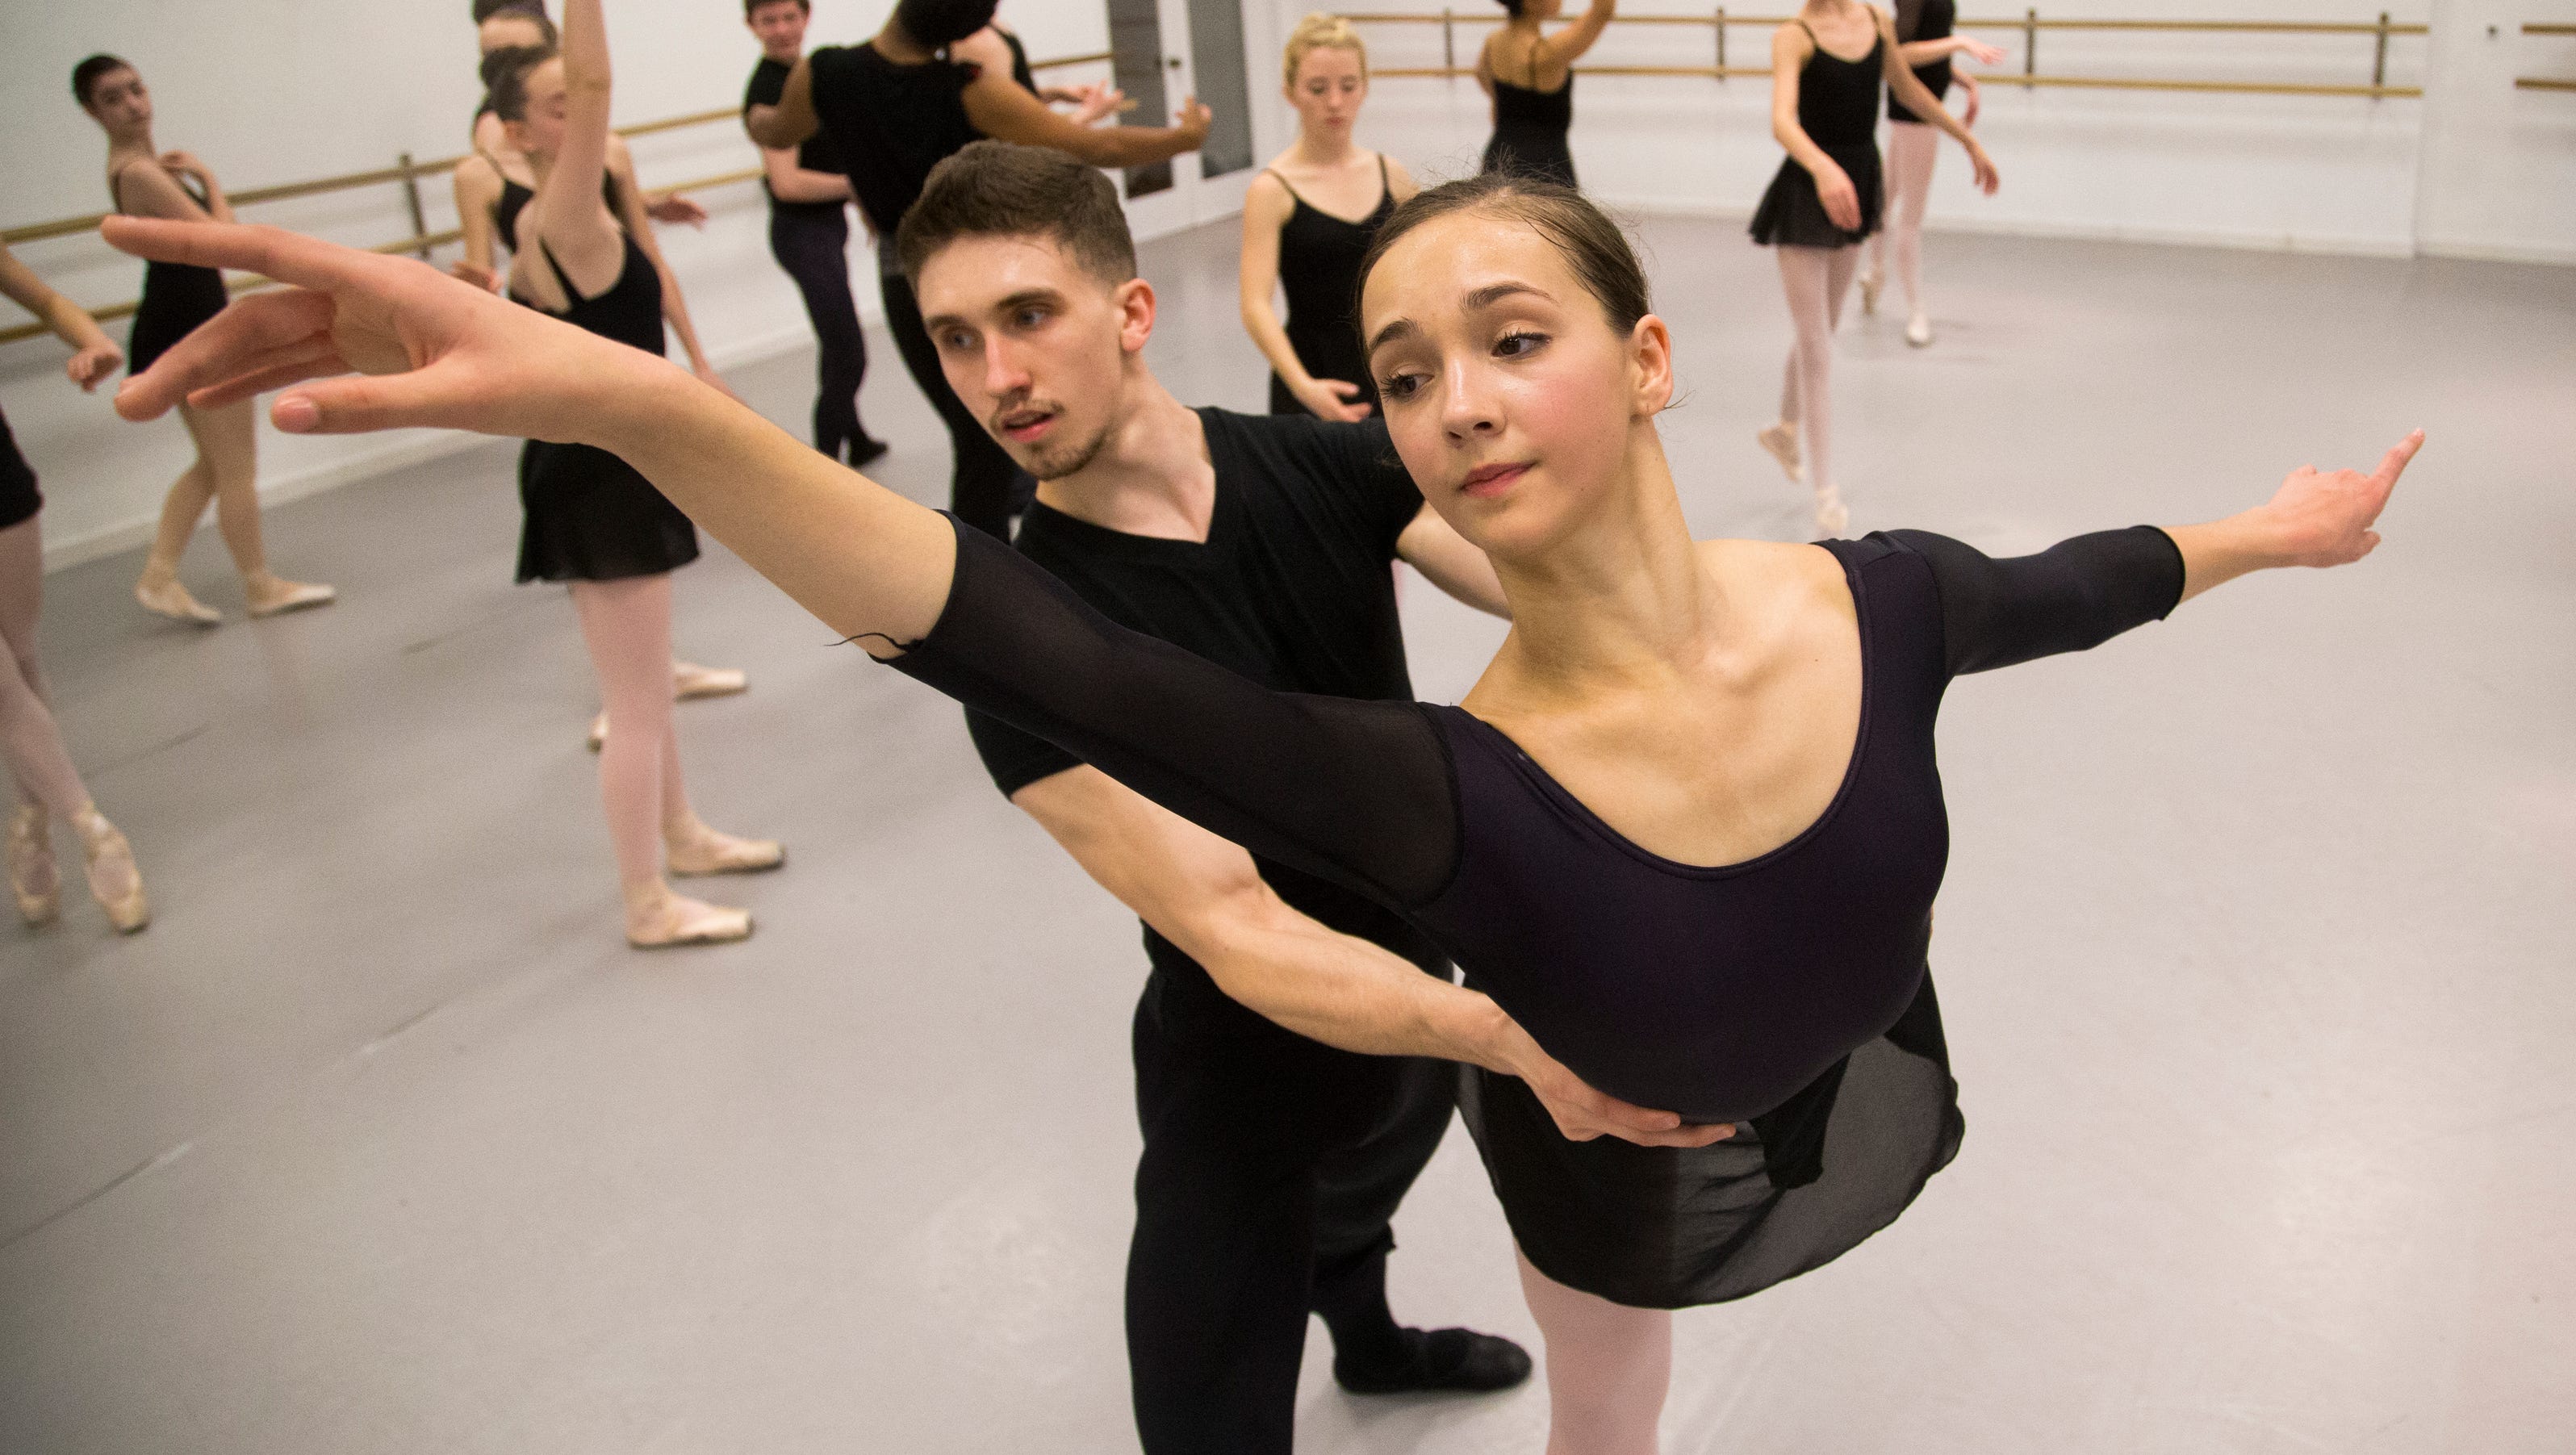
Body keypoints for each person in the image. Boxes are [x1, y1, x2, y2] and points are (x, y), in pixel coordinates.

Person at [107, 176, 2418, 1452]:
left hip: (1605, 1012)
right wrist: (640, 398)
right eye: (1405, 374)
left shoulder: (1858, 593)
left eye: (1510, 339)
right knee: (1369, 1351)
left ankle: (1390, 1314)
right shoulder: (1440, 789)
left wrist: (2273, 529)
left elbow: (2070, 587)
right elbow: (1062, 683)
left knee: (1419, 1246)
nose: (1450, 408)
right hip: (1433, 1037)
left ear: (1651, 352)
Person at [894, 141, 1562, 1450]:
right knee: (1209, 1414)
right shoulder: (1021, 641)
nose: (997, 377)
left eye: (1027, 316)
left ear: (1130, 312)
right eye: (956, 339)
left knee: (1363, 1203)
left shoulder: (1324, 467)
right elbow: (1234, 926)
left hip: (1407, 992)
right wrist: (1512, 1037)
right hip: (1242, 1066)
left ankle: (1364, 1342)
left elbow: (1549, 587)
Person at [482, 0, 782, 947]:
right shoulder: (561, 212)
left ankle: (683, 836)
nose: (581, 114)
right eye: (556, 105)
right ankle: (645, 901)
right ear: (520, 132)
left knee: (646, 683)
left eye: (577, 101)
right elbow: (602, 86)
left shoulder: (551, 217)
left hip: (598, 464)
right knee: (638, 706)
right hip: (599, 476)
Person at [744, 0, 1211, 538]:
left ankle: (999, 566)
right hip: (984, 280)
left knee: (980, 439)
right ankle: (987, 583)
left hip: (904, 277)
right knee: (984, 448)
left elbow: (774, 130)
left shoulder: (824, 73)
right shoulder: (969, 87)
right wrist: (1184, 139)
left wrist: (751, 112)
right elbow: (1094, 144)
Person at [73, 55, 335, 625]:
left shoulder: (149, 166)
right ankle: (259, 586)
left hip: (184, 317)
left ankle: (160, 575)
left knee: (216, 466)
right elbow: (226, 241)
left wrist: (202, 180)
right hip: (189, 321)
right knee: (236, 466)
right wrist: (210, 182)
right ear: (93, 112)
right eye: (114, 98)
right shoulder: (138, 173)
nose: (133, 104)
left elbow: (221, 237)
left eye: (136, 89)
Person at [1750, 0, 1997, 536]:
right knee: (1816, 342)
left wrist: (1968, 139)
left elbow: (1909, 90)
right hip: (1808, 191)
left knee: (1821, 329)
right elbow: (1782, 120)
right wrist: (1820, 168)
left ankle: (1785, 429)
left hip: (1858, 181)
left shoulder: (1875, 23)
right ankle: (1827, 495)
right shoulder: (1793, 35)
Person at [0, 242, 150, 934]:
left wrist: (93, 341)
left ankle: (30, 822)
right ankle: (95, 829)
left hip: (1, 484)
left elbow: (49, 302)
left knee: (23, 660)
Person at [1240, 15, 1419, 422]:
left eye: (1348, 86)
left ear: (1364, 89)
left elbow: (1423, 272)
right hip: (1310, 371)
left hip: (1386, 359)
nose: (1335, 102)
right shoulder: (1272, 190)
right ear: (1291, 93)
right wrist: (1302, 386)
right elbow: (1255, 305)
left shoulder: (1392, 175)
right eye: (1318, 89)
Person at [742, 0, 888, 470]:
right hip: (801, 234)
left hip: (826, 228)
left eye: (790, 17)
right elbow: (787, 183)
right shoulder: (766, 89)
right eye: (769, 20)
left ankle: (858, 439)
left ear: (806, 18)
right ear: (752, 26)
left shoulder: (808, 73)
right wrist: (861, 183)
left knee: (837, 339)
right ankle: (824, 463)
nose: (781, 29)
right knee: (848, 351)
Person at [1858, 0, 2003, 346]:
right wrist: (1960, 43)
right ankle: (1915, 311)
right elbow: (1900, 55)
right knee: (1911, 219)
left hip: (1912, 109)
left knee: (1886, 198)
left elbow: (1929, 46)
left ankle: (1875, 270)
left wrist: (1962, 79)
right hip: (1916, 114)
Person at [1476, 0, 1615, 189]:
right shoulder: (1545, 55)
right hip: (1545, 169)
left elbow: (1481, 75)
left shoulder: (1494, 41)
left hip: (1498, 160)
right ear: (1530, 3)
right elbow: (1602, 13)